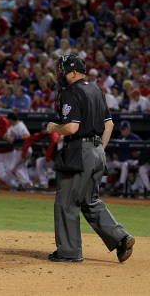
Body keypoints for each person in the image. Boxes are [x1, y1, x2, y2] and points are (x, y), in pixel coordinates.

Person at [46, 54, 134, 263]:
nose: (60, 74)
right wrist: (98, 150)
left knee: (66, 202)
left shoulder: (71, 91)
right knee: (89, 201)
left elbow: (71, 127)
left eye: (63, 71)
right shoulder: (96, 90)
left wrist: (54, 128)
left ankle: (69, 252)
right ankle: (121, 238)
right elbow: (109, 125)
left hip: (80, 151)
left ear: (74, 72)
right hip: (97, 152)